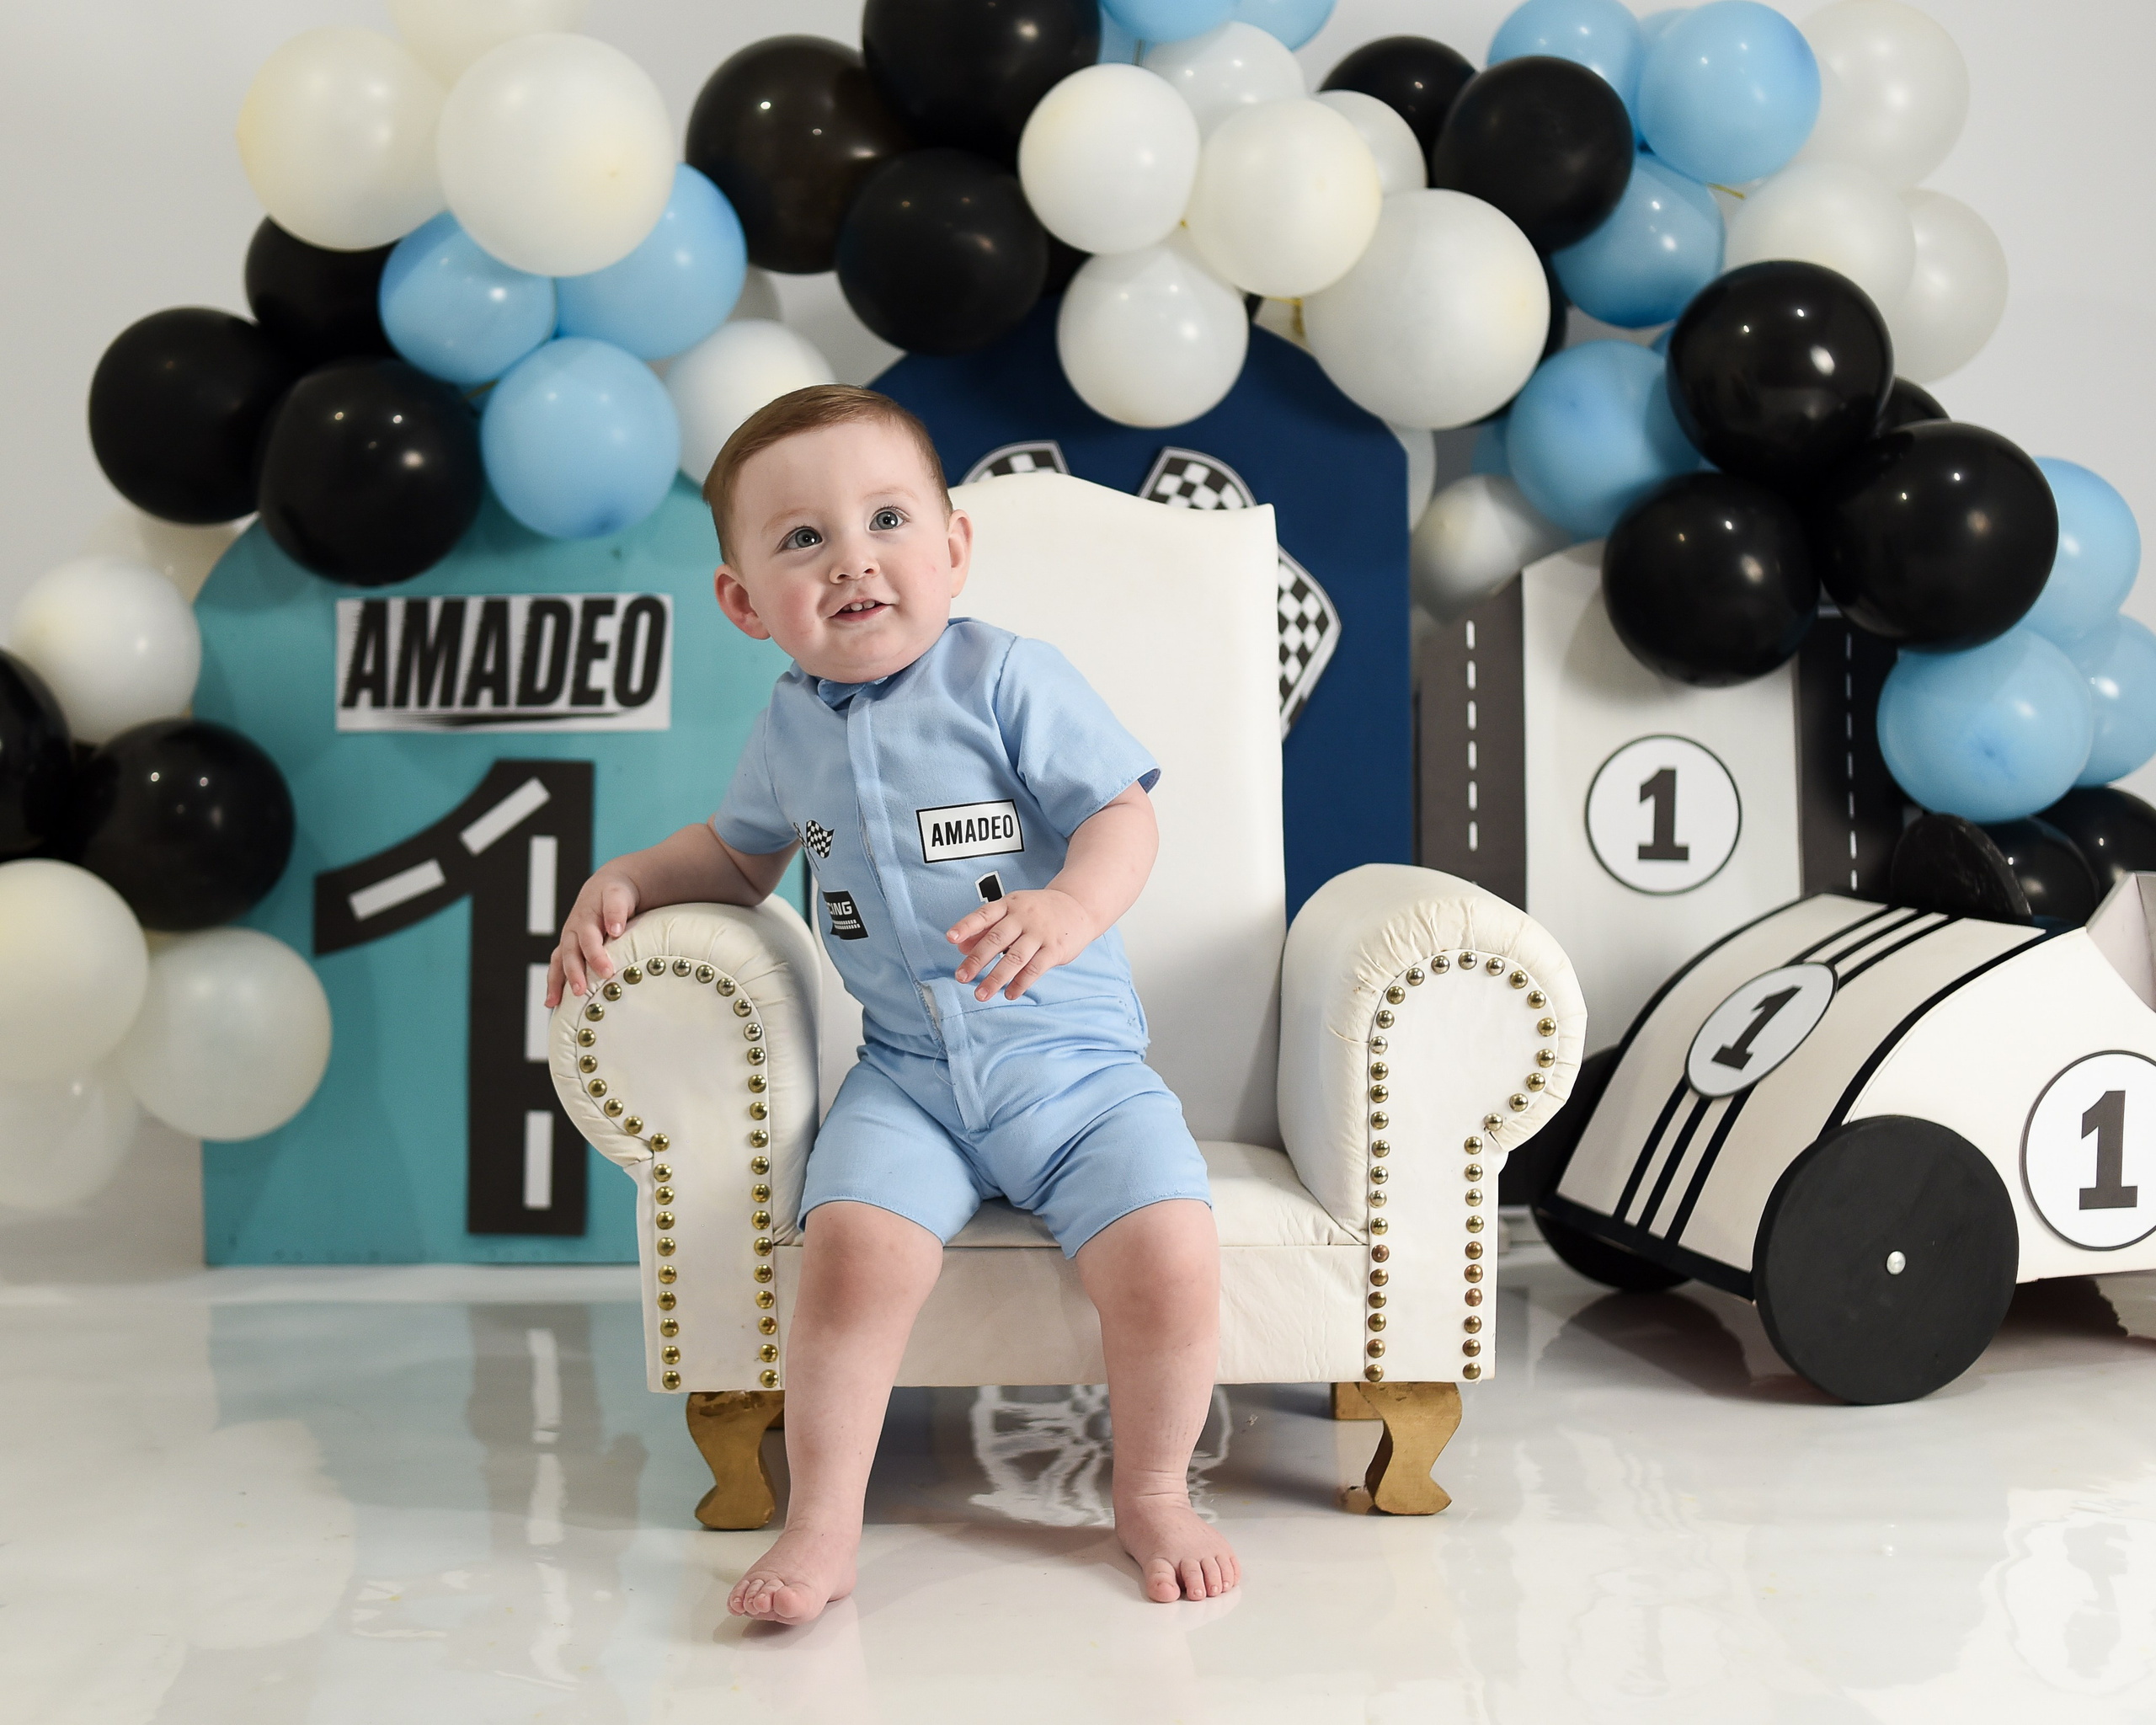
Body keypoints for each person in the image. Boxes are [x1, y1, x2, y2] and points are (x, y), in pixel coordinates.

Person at [546, 385, 1235, 1622]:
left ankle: (1151, 1491)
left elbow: (1122, 814)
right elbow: (739, 858)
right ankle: (822, 1523)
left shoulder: (1005, 676)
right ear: (745, 603)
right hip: (910, 1083)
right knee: (851, 1258)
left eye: (887, 520)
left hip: (1076, 1075)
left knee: (1172, 1256)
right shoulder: (787, 731)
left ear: (954, 546)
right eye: (803, 538)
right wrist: (635, 877)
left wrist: (1070, 907)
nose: (852, 559)